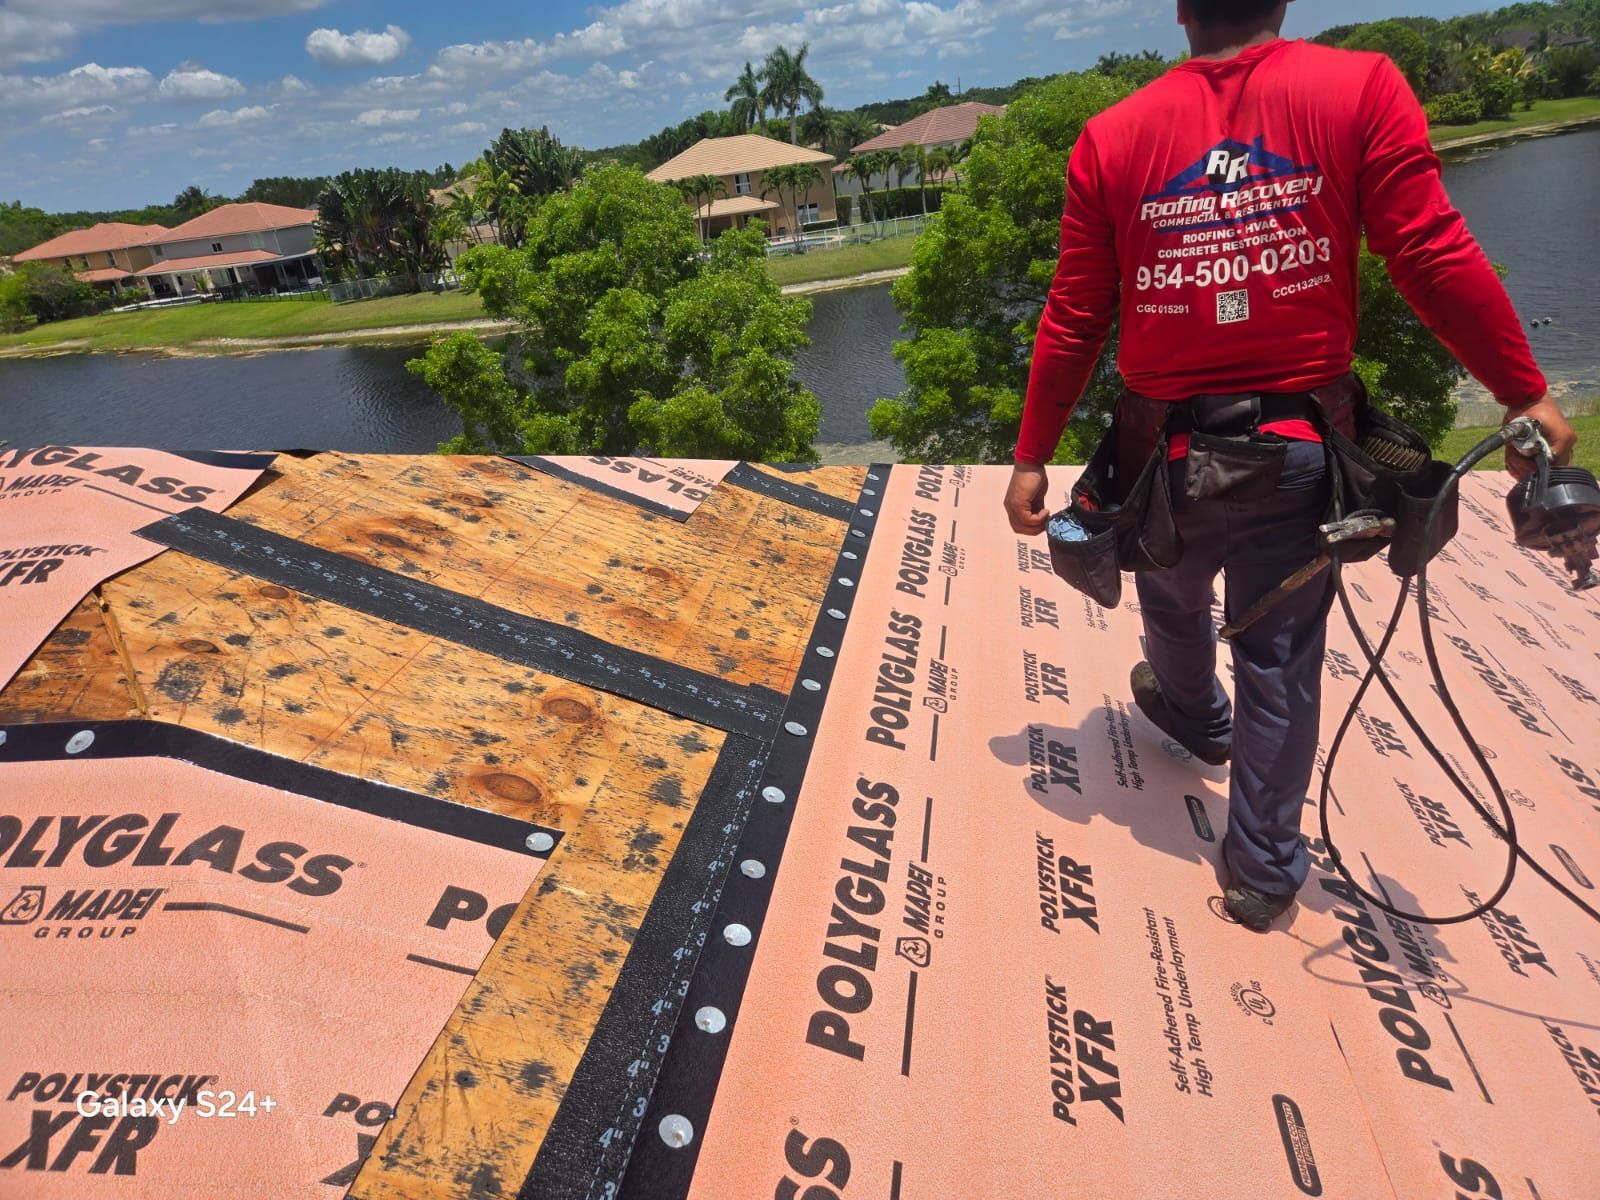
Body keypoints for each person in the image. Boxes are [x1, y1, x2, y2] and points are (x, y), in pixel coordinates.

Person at [1003, 0, 1578, 931]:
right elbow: (1427, 251)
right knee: (1278, 657)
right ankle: (1263, 871)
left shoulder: (1113, 138)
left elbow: (1076, 311)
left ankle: (1197, 716)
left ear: (1180, 8)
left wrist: (1032, 456)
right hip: (1298, 452)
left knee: (1170, 595)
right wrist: (1522, 393)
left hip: (1164, 456)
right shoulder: (1360, 88)